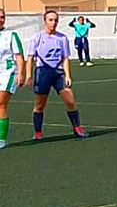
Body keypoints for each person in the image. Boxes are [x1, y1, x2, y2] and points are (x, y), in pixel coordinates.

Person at [24, 9, 86, 140]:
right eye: (50, 20)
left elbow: (65, 58)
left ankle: (77, 128)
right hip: (43, 72)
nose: (53, 23)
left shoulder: (62, 38)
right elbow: (30, 58)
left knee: (70, 100)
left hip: (58, 73)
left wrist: (68, 75)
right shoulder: (37, 37)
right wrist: (28, 76)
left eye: (56, 20)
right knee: (40, 105)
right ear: (45, 21)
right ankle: (38, 132)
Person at [0, 9, 23, 149]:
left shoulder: (11, 35)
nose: (1, 19)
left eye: (2, 17)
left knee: (1, 103)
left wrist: (21, 73)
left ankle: (1, 139)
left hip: (7, 73)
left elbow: (19, 55)